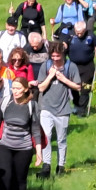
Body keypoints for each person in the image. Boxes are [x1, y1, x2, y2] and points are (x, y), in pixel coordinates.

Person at [0, 77, 43, 190]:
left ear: (25, 89)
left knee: (20, 179)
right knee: (5, 176)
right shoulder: (6, 101)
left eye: (18, 88)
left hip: (24, 148)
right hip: (5, 145)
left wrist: (39, 152)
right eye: (13, 88)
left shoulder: (31, 105)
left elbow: (35, 129)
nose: (15, 91)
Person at [36, 41, 81, 177]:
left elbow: (78, 86)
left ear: (63, 54)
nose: (55, 59)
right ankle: (46, 166)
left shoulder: (71, 67)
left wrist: (63, 79)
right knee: (47, 137)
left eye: (57, 56)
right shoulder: (46, 65)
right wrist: (50, 76)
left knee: (61, 140)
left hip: (63, 109)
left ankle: (61, 166)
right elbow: (40, 87)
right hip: (46, 108)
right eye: (53, 56)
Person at [60, 22, 96, 117]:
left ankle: (82, 110)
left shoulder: (90, 35)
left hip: (87, 66)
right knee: (73, 86)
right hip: (73, 65)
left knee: (85, 88)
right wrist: (64, 46)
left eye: (81, 33)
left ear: (85, 30)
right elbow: (64, 43)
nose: (79, 35)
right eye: (77, 32)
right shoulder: (70, 34)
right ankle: (77, 104)